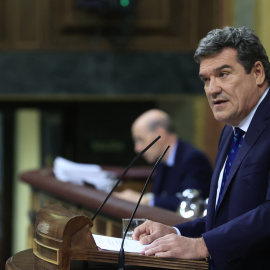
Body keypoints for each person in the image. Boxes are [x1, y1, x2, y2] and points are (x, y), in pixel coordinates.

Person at [132, 26, 270, 270]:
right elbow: (226, 218)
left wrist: (202, 246)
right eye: (206, 79)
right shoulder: (231, 129)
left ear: (257, 72)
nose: (212, 88)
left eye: (223, 74)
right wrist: (175, 231)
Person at [114, 109, 213, 212]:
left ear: (159, 134)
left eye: (140, 140)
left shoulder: (194, 159)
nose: (137, 148)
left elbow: (190, 204)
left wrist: (146, 200)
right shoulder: (161, 159)